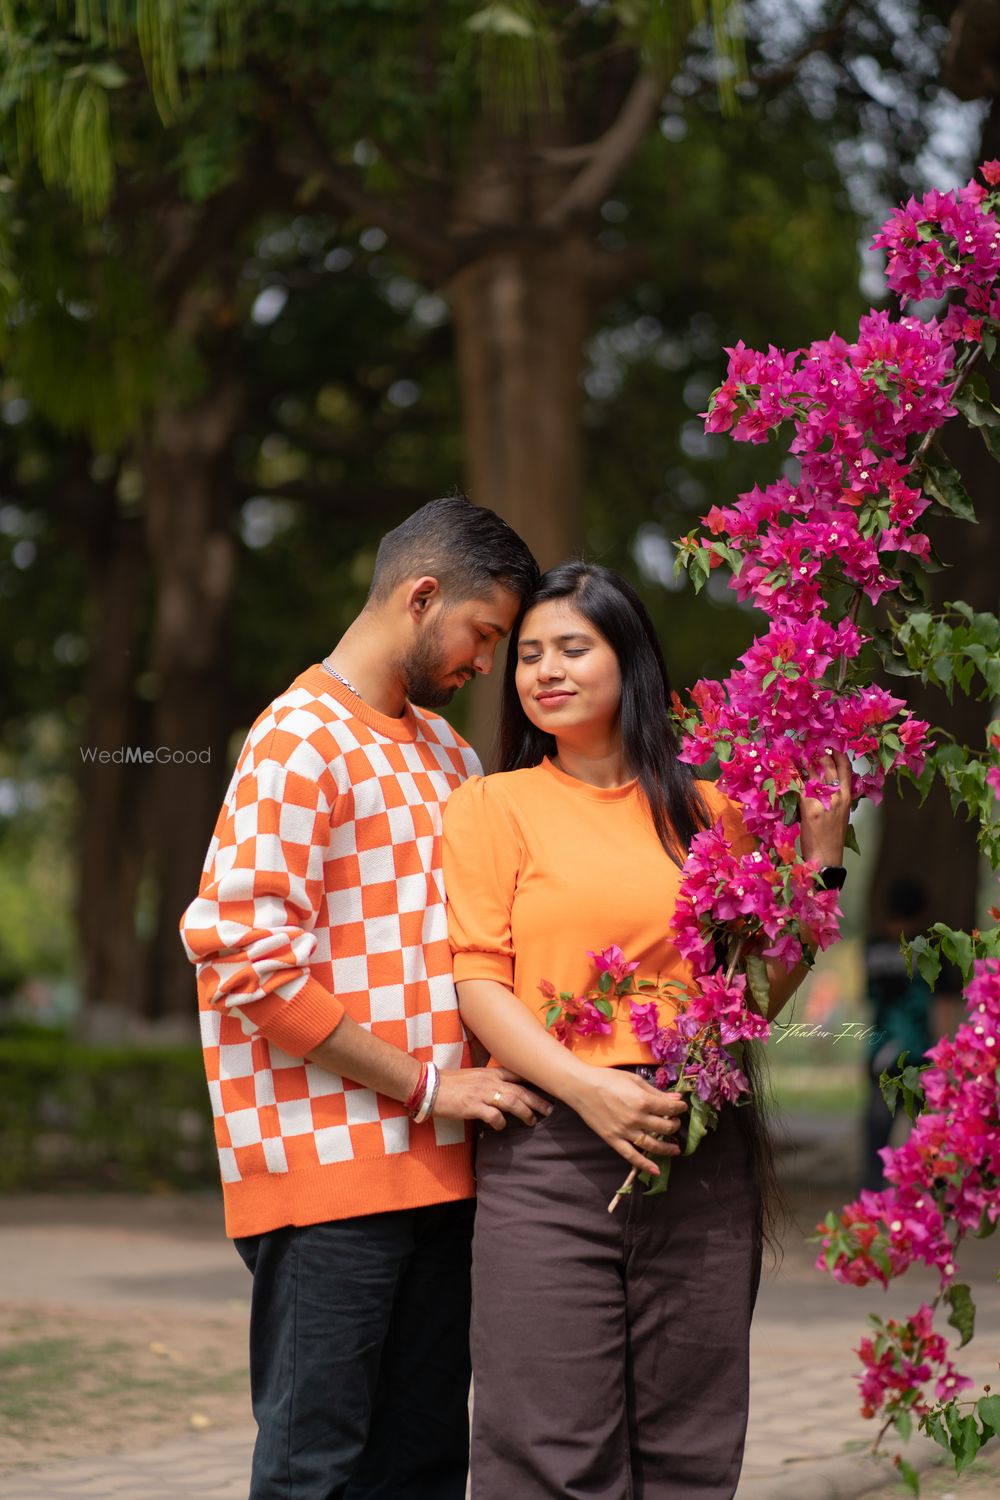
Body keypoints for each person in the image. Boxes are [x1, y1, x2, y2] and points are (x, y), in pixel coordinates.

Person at [441, 561, 851, 1500]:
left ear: (631, 659)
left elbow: (749, 991)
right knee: (547, 1446)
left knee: (690, 1450)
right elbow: (480, 986)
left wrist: (818, 870)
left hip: (698, 1141)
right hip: (549, 1151)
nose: (543, 670)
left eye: (572, 648)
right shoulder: (491, 807)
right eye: (528, 654)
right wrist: (590, 1091)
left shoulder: (714, 814)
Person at [179, 495, 548, 1500]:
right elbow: (248, 964)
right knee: (315, 1473)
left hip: (446, 1177)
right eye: (483, 634)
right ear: (422, 597)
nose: (488, 665)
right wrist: (433, 1088)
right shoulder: (298, 739)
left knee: (423, 1470)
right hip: (328, 1182)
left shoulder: (448, 755)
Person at [862, 876, 934, 1192]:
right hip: (922, 1053)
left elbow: (870, 997)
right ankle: (934, 1193)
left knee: (877, 1133)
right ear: (919, 913)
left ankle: (872, 1195)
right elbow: (942, 1005)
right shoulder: (929, 951)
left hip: (882, 1052)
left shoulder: (872, 948)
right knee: (931, 1131)